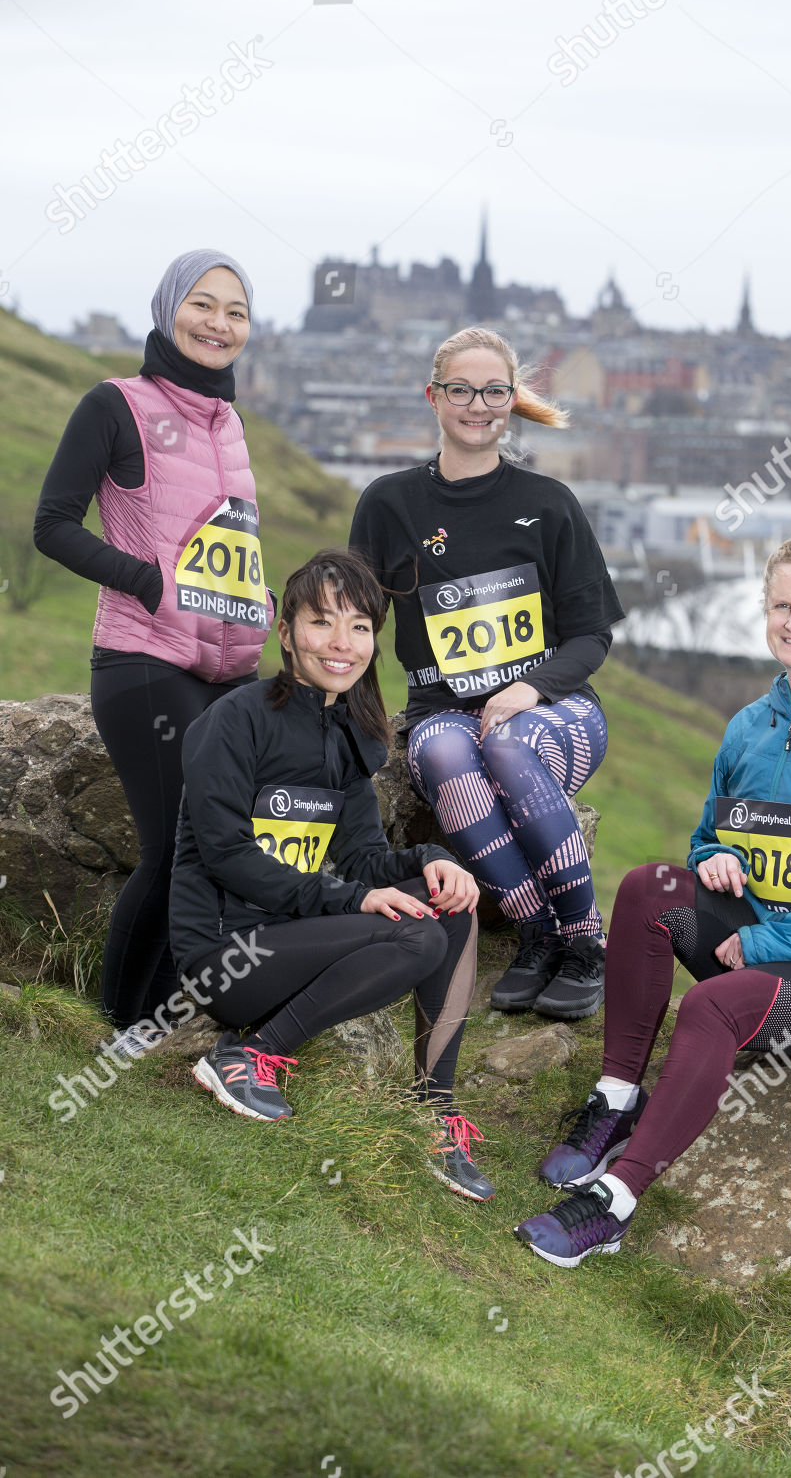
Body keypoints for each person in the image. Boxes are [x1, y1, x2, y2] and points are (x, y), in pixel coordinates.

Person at [515, 533, 791, 1266]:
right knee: (648, 887)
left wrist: (764, 943)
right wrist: (716, 860)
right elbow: (707, 837)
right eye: (781, 605)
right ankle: (616, 1101)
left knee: (713, 1005)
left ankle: (615, 1202)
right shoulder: (753, 724)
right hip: (772, 932)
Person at [169, 549, 492, 1201]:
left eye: (359, 626)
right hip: (226, 958)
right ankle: (248, 1056)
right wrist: (355, 899)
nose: (342, 643)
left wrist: (430, 861)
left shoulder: (348, 736)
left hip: (299, 940)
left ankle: (433, 1111)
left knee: (447, 906)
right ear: (286, 633)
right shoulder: (235, 721)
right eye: (321, 621)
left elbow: (364, 860)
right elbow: (227, 855)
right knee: (417, 936)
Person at [34, 249, 272, 1059]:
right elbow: (53, 524)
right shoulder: (116, 405)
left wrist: (260, 602)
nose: (218, 323)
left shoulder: (230, 423)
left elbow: (225, 541)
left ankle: (173, 1019)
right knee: (175, 842)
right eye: (202, 304)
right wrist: (148, 582)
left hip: (228, 667)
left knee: (219, 844)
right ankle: (118, 1024)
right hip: (142, 659)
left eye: (236, 311)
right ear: (168, 309)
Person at [349, 326, 624, 1020]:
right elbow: (356, 621)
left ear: (513, 398)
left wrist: (529, 689)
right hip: (442, 708)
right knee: (447, 752)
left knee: (506, 742)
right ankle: (538, 934)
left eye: (494, 391)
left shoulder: (550, 501)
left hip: (553, 708)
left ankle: (586, 942)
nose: (478, 405)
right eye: (462, 390)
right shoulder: (388, 504)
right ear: (433, 397)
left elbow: (592, 634)